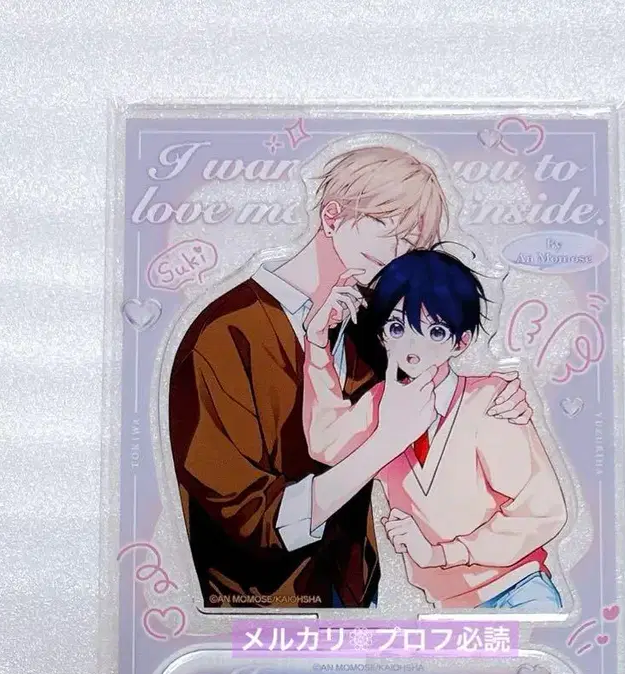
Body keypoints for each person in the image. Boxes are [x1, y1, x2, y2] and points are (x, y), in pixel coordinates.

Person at [168, 146, 534, 608]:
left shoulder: (377, 328)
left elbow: (432, 397)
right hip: (254, 604)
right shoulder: (223, 334)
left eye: (413, 242)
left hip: (356, 594)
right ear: (332, 216)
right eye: (387, 229)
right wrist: (384, 443)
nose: (399, 254)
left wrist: (497, 399)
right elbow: (244, 515)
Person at [302, 247, 568, 610]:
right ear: (382, 335)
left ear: (462, 342)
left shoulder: (489, 400)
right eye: (397, 327)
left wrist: (443, 554)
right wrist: (317, 343)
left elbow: (542, 511)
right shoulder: (380, 404)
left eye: (436, 331)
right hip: (448, 609)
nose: (413, 347)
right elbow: (325, 444)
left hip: (516, 592)